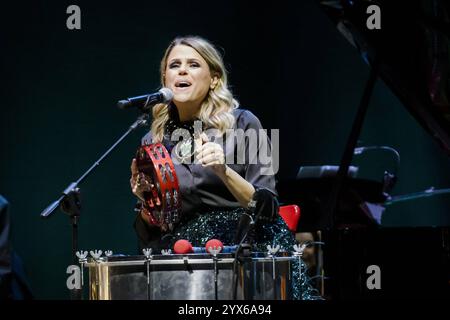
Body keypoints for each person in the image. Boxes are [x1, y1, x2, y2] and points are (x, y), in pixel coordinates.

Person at [129, 36, 320, 299]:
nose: (182, 70)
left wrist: (223, 170)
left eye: (193, 64)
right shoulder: (152, 142)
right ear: (165, 79)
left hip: (248, 245)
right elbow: (152, 232)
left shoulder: (243, 124)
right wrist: (147, 203)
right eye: (174, 65)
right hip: (185, 256)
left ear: (215, 79)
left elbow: (268, 206)